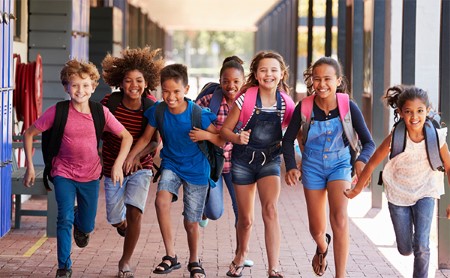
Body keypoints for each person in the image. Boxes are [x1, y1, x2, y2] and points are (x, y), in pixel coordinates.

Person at [22, 59, 133, 278]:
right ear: (66, 87)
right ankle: (64, 266)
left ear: (93, 87)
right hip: (63, 172)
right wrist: (30, 167)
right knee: (63, 219)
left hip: (90, 175)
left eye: (85, 85)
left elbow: (126, 136)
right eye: (74, 85)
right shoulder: (58, 111)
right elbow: (29, 133)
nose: (79, 90)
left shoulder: (100, 112)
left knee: (87, 224)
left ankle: (80, 220)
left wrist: (118, 164)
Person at [124, 63, 224, 278]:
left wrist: (205, 136)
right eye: (166, 91)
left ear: (186, 89)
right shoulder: (158, 111)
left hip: (197, 170)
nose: (170, 97)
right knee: (161, 200)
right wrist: (131, 157)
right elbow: (145, 138)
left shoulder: (197, 114)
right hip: (171, 164)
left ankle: (194, 260)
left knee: (191, 222)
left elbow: (220, 138)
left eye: (176, 91)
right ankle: (170, 256)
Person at [281, 56, 375, 277]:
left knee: (340, 218)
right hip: (312, 165)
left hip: (340, 164)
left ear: (338, 80)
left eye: (327, 79)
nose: (322, 84)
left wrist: (361, 162)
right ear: (311, 81)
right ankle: (322, 247)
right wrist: (292, 166)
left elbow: (369, 142)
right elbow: (287, 140)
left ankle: (340, 274)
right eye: (317, 79)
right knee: (316, 229)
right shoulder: (304, 106)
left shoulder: (348, 106)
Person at [345, 84, 450, 278]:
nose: (414, 117)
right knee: (405, 248)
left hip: (426, 190)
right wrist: (357, 189)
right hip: (397, 192)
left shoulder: (436, 136)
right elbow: (372, 163)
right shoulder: (397, 136)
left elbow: (449, 167)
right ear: (400, 113)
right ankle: (409, 242)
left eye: (420, 111)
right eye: (408, 112)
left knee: (422, 245)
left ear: (428, 111)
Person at [220, 51, 295, 278]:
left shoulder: (287, 104)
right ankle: (240, 255)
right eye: (263, 70)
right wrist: (236, 138)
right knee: (245, 219)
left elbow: (293, 136)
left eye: (273, 70)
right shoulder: (246, 99)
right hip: (243, 161)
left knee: (270, 210)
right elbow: (224, 130)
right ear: (256, 73)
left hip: (270, 160)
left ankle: (274, 267)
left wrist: (294, 165)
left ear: (282, 74)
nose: (268, 74)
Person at [100, 46, 164, 278]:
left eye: (139, 80)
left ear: (146, 83)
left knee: (135, 211)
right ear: (120, 82)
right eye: (128, 80)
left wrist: (135, 157)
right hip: (111, 167)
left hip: (141, 167)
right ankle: (122, 226)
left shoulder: (152, 106)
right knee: (115, 217)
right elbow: (98, 133)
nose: (134, 85)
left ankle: (125, 261)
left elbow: (154, 142)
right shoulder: (110, 103)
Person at [195, 56, 254, 268]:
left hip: (239, 164)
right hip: (213, 163)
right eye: (227, 81)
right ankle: (204, 211)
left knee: (242, 212)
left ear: (244, 80)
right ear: (220, 80)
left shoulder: (250, 101)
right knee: (214, 211)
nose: (231, 86)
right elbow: (192, 124)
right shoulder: (209, 100)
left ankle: (241, 253)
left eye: (236, 82)